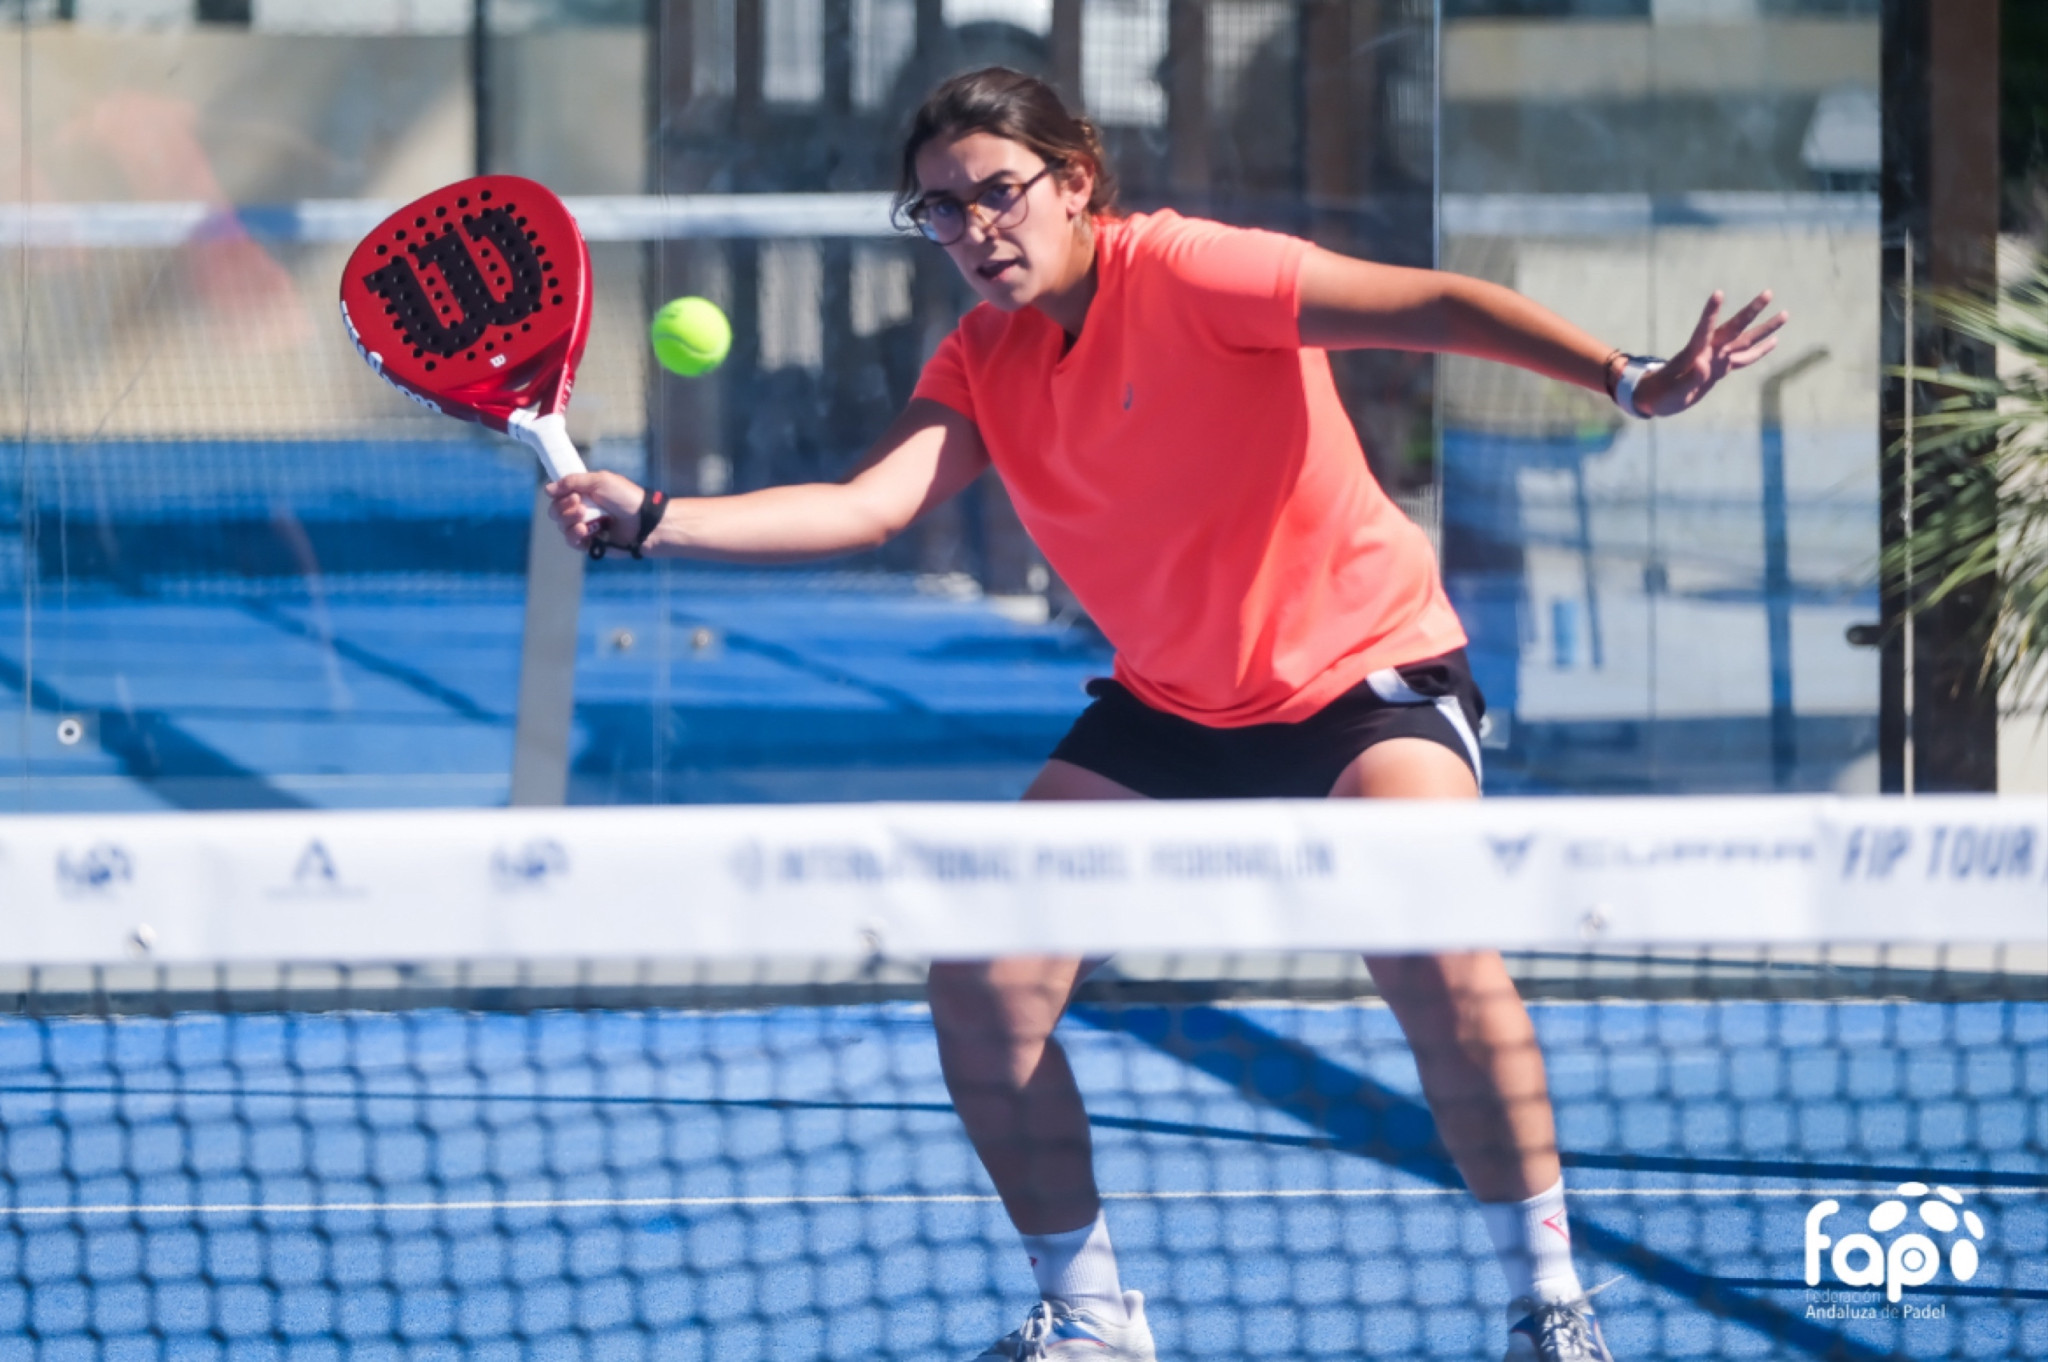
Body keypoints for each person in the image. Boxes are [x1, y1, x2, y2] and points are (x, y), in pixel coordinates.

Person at [548, 67, 1785, 1362]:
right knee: (982, 983)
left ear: (1075, 181)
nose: (974, 228)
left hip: (1364, 683)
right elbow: (871, 504)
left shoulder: (1195, 270)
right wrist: (657, 520)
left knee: (1434, 949)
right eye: (942, 210)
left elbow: (1425, 304)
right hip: (1175, 709)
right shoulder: (983, 356)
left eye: (998, 192)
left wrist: (1624, 377)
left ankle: (1551, 1302)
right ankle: (1090, 1315)